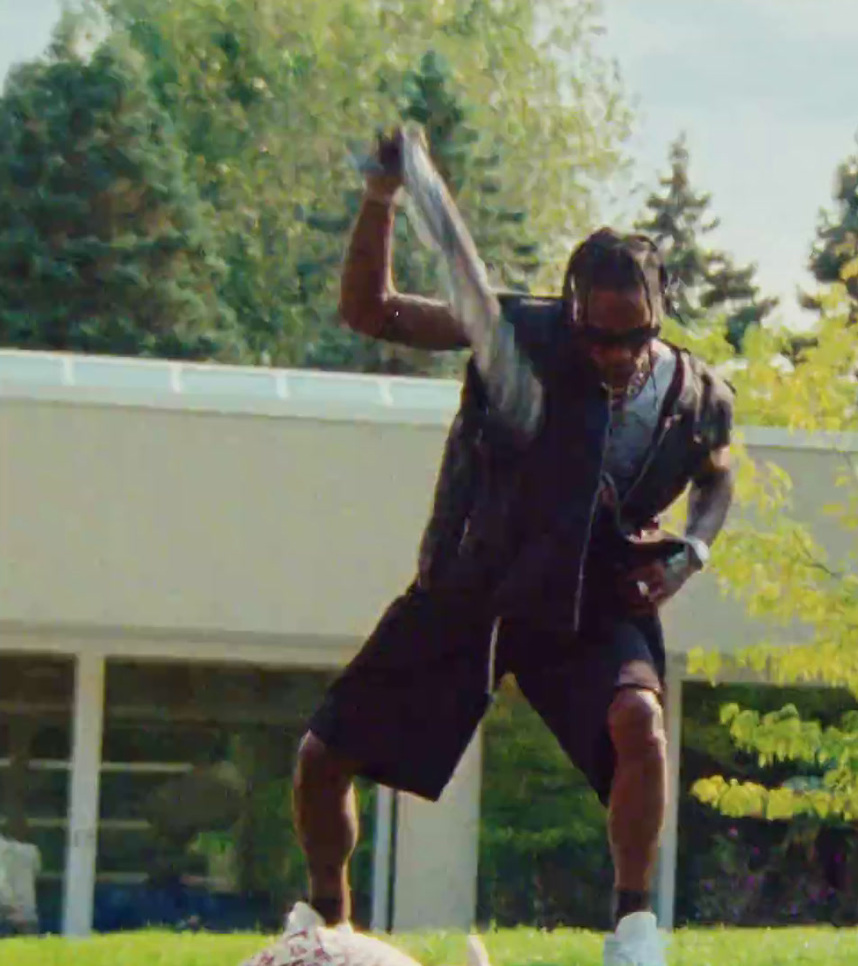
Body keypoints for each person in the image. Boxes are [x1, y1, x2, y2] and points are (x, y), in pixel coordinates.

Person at [291, 128, 736, 966]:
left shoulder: (695, 393)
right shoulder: (516, 337)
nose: (611, 355)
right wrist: (384, 197)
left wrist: (693, 553)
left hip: (593, 597)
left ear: (659, 317)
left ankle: (634, 931)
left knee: (640, 721)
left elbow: (717, 479)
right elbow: (370, 310)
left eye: (631, 336)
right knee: (321, 759)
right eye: (595, 334)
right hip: (479, 577)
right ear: (571, 311)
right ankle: (325, 927)